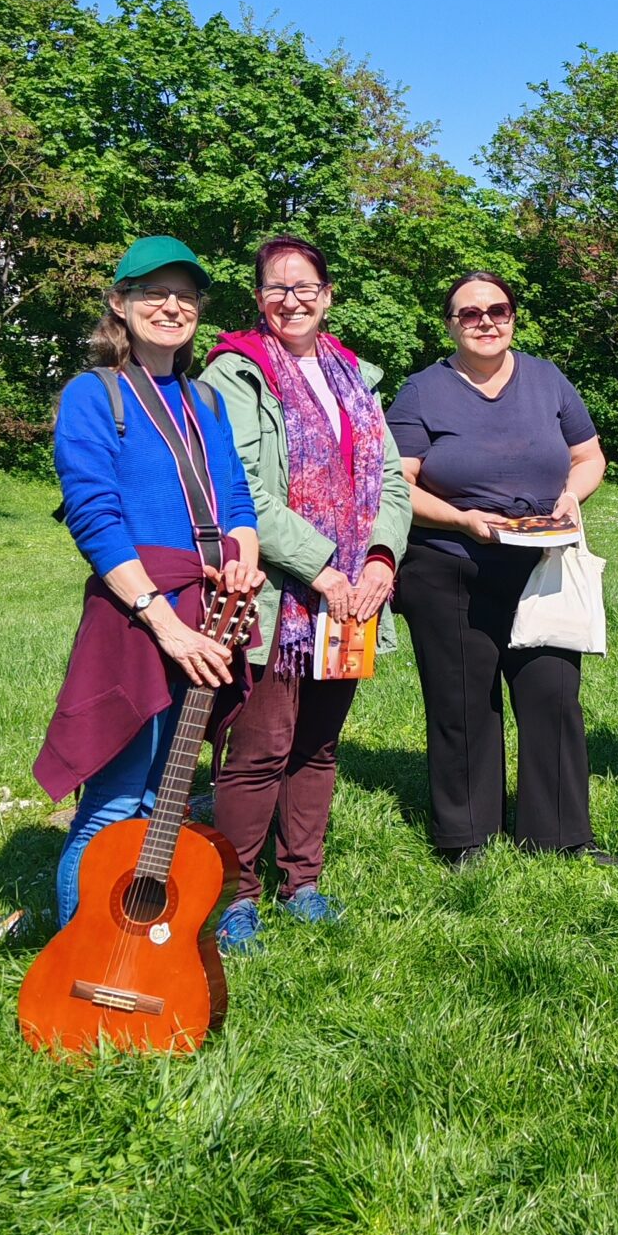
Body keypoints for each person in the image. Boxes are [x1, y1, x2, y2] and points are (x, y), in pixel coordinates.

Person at [37, 236, 261, 930]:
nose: (171, 306)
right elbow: (96, 519)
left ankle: (145, 946)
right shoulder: (94, 394)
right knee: (116, 794)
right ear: (119, 303)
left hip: (209, 607)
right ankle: (80, 949)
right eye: (153, 293)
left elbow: (237, 498)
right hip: (138, 613)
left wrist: (243, 557)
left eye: (185, 295)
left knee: (170, 790)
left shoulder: (206, 400)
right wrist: (165, 624)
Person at [199, 236, 413, 953]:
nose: (291, 300)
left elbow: (391, 479)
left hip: (353, 596)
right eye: (276, 287)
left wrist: (379, 559)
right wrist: (322, 569)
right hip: (278, 595)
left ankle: (303, 883)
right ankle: (235, 896)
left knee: (318, 745)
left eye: (304, 287)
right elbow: (240, 489)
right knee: (259, 748)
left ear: (327, 295)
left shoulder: (354, 374)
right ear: (258, 297)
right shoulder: (236, 373)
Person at [387, 271, 611, 863]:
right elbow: (397, 484)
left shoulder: (547, 378)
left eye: (498, 310)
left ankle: (561, 836)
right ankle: (467, 838)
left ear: (512, 316)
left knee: (553, 696)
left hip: (541, 563)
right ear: (450, 324)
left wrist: (571, 497)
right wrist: (461, 520)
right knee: (463, 704)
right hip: (450, 562)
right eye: (470, 313)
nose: (485, 321)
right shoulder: (421, 392)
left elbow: (589, 456)